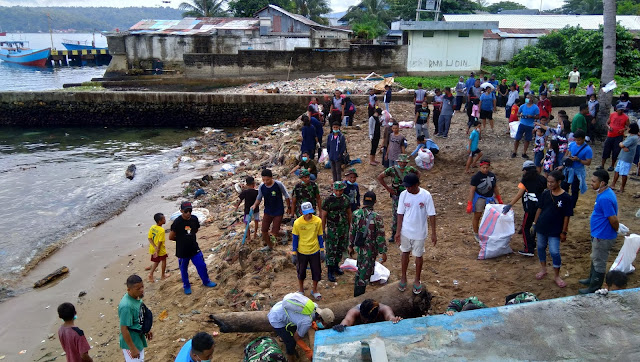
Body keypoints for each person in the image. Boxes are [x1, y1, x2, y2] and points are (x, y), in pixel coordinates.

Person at [579, 169, 619, 294]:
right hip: (599, 233)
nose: (591, 183)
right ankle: (591, 279)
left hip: (603, 235)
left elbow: (613, 219)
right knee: (595, 257)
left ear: (602, 183)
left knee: (599, 261)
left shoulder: (605, 198)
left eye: (593, 181)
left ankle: (594, 287)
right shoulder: (604, 193)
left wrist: (617, 229)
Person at [395, 173, 436, 295]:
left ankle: (417, 279)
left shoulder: (426, 195)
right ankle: (403, 277)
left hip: (419, 232)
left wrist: (434, 233)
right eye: (406, 187)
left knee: (418, 255)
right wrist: (398, 232)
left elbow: (432, 214)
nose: (408, 189)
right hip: (405, 231)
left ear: (417, 184)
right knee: (405, 252)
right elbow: (400, 214)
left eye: (410, 187)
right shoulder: (403, 194)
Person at [531, 170, 573, 288]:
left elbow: (567, 216)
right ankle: (543, 269)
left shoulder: (566, 198)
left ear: (559, 182)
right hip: (542, 226)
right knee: (540, 247)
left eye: (552, 182)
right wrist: (535, 222)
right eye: (548, 182)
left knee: (554, 251)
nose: (549, 184)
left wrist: (564, 231)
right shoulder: (545, 194)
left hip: (555, 229)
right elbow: (539, 208)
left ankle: (556, 275)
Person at [268, 292, 334, 361]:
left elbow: (304, 315)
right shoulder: (306, 322)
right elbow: (297, 337)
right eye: (324, 323)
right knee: (291, 343)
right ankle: (291, 359)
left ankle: (284, 337)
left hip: (280, 307)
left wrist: (312, 322)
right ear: (320, 318)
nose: (324, 325)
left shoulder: (315, 306)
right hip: (277, 318)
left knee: (294, 330)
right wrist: (307, 350)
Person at [170, 202, 217, 294]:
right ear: (181, 211)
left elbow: (195, 230)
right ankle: (186, 286)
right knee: (183, 269)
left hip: (194, 248)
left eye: (190, 211)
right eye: (186, 211)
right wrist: (181, 239)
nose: (188, 213)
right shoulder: (177, 222)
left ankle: (206, 281)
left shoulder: (194, 219)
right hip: (182, 251)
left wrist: (189, 236)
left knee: (202, 265)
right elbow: (171, 237)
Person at [502, 160, 547, 257]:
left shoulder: (525, 180)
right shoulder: (542, 179)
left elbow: (519, 194)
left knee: (525, 227)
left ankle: (528, 249)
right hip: (540, 208)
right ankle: (533, 244)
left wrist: (510, 204)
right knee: (534, 225)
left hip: (530, 208)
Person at [348, 191, 387, 296]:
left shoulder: (356, 214)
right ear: (375, 202)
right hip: (370, 250)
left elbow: (352, 231)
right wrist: (383, 252)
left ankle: (358, 292)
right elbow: (380, 237)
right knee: (364, 274)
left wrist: (350, 246)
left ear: (363, 201)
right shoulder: (377, 217)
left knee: (360, 270)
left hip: (359, 248)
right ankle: (358, 297)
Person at [377, 154, 420, 242]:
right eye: (401, 162)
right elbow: (380, 177)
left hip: (408, 194)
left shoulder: (410, 169)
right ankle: (394, 233)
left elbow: (418, 174)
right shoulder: (392, 169)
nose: (403, 164)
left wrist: (414, 184)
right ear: (398, 162)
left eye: (404, 162)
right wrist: (388, 189)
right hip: (397, 195)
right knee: (396, 214)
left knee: (408, 212)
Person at [291, 202, 325, 299]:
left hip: (314, 250)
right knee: (301, 271)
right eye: (306, 213)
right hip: (302, 251)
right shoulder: (297, 223)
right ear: (301, 212)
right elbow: (295, 238)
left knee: (316, 271)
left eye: (310, 213)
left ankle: (314, 290)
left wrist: (322, 250)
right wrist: (294, 252)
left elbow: (320, 236)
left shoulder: (317, 221)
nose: (309, 215)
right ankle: (301, 289)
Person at [252, 169, 292, 250]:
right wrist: (255, 205)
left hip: (278, 211)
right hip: (268, 211)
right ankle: (270, 246)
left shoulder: (278, 184)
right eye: (263, 180)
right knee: (264, 231)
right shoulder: (262, 186)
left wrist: (289, 207)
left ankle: (284, 233)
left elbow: (286, 195)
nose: (265, 182)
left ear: (271, 178)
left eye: (267, 180)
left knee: (274, 232)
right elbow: (259, 198)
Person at [321, 182, 352, 282]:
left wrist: (350, 226)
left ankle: (336, 266)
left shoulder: (346, 199)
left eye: (340, 190)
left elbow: (349, 213)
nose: (338, 193)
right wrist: (322, 230)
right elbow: (323, 216)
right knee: (331, 249)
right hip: (332, 228)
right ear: (333, 189)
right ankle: (330, 270)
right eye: (336, 190)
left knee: (341, 247)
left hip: (343, 228)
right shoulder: (328, 200)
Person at [466, 159, 503, 242]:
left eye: (487, 167)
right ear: (480, 167)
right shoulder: (476, 177)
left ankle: (489, 231)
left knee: (492, 216)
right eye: (483, 168)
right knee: (477, 215)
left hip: (490, 197)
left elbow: (495, 187)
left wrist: (499, 198)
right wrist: (470, 203)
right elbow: (472, 190)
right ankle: (476, 232)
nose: (485, 169)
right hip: (480, 197)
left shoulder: (492, 176)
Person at [119, 275, 151, 362]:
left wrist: (146, 329)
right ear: (129, 289)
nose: (141, 290)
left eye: (142, 287)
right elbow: (124, 329)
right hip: (131, 343)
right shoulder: (126, 306)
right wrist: (132, 348)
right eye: (138, 289)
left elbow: (139, 315)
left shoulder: (137, 297)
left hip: (138, 338)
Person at [560, 129, 592, 209]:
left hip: (578, 171)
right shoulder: (572, 144)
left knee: (574, 190)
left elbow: (588, 162)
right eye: (576, 140)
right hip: (568, 169)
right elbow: (566, 155)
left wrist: (579, 160)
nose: (577, 141)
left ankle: (571, 206)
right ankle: (564, 203)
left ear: (583, 139)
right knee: (564, 187)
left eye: (579, 140)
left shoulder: (588, 149)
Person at [332, 299, 400, 332]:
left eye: (369, 321)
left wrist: (393, 319)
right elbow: (347, 320)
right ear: (360, 313)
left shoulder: (384, 309)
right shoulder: (354, 311)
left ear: (377, 314)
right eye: (364, 320)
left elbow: (389, 316)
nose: (366, 323)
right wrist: (342, 326)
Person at [600, 105, 630, 171]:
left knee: (616, 151)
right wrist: (609, 127)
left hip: (618, 136)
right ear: (617, 109)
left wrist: (623, 129)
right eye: (620, 110)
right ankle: (602, 165)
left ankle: (612, 165)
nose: (621, 111)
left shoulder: (626, 117)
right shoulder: (612, 115)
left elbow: (628, 127)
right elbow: (607, 123)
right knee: (606, 150)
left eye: (622, 110)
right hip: (610, 135)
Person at [612, 122, 639, 192]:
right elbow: (623, 145)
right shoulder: (632, 136)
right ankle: (614, 185)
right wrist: (622, 146)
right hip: (624, 156)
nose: (628, 129)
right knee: (618, 171)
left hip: (626, 157)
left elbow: (622, 145)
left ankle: (621, 187)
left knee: (623, 173)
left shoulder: (633, 138)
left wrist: (621, 145)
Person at [512, 94, 540, 159]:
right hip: (522, 124)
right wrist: (520, 115)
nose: (527, 99)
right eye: (526, 97)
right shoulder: (522, 106)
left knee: (527, 140)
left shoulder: (535, 107)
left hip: (530, 125)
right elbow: (518, 114)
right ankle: (514, 151)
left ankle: (524, 152)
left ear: (532, 99)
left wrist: (532, 116)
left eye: (528, 98)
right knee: (517, 138)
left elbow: (538, 116)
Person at [234, 176, 260, 243]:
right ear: (254, 183)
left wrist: (237, 207)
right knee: (256, 221)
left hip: (247, 211)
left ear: (247, 184)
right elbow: (259, 200)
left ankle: (248, 237)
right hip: (256, 209)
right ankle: (255, 234)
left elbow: (240, 200)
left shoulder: (245, 192)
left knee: (247, 223)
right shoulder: (256, 192)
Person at [147, 213, 169, 282]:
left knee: (156, 262)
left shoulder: (152, 227)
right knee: (164, 261)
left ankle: (150, 274)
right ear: (160, 221)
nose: (165, 220)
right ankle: (163, 275)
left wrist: (154, 247)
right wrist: (157, 249)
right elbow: (160, 241)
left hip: (153, 248)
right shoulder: (161, 230)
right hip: (160, 249)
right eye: (164, 219)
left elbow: (149, 238)